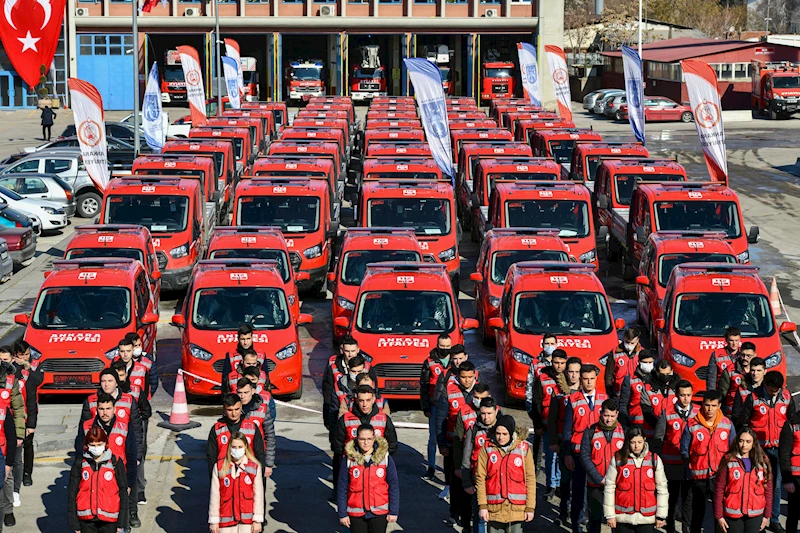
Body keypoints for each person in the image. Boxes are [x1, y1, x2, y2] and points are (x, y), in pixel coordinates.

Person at [739, 370, 793, 532]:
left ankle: (773, 519)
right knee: (756, 484)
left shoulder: (787, 397)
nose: (774, 393)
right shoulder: (753, 398)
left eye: (777, 390)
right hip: (758, 451)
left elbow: (791, 423)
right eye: (771, 390)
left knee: (775, 486)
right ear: (766, 385)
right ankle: (754, 516)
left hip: (778, 451)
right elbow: (743, 421)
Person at [680, 390, 735, 533]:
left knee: (720, 514)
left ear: (719, 406)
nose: (710, 409)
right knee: (697, 513)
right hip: (699, 478)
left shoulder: (727, 424)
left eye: (713, 405)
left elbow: (733, 450)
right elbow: (684, 449)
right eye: (707, 405)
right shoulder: (692, 424)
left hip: (720, 476)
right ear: (702, 405)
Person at [332, 385, 398, 501]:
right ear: (356, 399)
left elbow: (392, 445)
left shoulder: (383, 419)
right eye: (361, 400)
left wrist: (381, 462)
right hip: (353, 472)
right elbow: (337, 447)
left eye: (368, 400)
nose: (364, 404)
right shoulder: (346, 419)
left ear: (373, 399)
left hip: (376, 472)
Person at [563, 364, 607, 533]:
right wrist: (567, 454)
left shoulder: (604, 399)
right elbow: (567, 430)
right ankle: (576, 524)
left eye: (591, 379)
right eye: (585, 379)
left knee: (595, 491)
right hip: (577, 454)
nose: (588, 382)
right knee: (579, 491)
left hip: (597, 454)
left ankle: (593, 523)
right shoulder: (573, 400)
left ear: (596, 379)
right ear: (580, 380)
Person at [476, 415, 536, 533]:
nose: (500, 437)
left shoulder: (523, 449)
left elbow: (530, 479)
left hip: (517, 510)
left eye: (504, 434)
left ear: (511, 433)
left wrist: (530, 507)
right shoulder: (487, 449)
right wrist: (482, 506)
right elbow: (480, 478)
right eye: (498, 433)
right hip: (494, 510)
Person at [603, 427, 669, 533]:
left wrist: (661, 515)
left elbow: (662, 488)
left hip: (646, 519)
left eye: (639, 442)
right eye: (633, 442)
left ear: (644, 440)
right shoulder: (618, 459)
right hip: (623, 517)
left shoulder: (654, 460)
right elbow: (609, 487)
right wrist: (610, 515)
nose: (636, 446)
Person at [111, 338, 152, 507]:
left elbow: (149, 389)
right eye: (122, 351)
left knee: (138, 456)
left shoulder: (142, 368)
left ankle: (140, 490)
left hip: (136, 420)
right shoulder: (112, 368)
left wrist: (139, 419)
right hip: (119, 421)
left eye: (128, 350)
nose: (125, 354)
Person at [437, 360, 478, 528]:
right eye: (463, 377)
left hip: (476, 446)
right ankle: (454, 513)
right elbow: (440, 419)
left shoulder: (481, 391)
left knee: (473, 482)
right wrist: (442, 444)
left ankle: (470, 514)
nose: (467, 380)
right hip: (454, 444)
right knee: (456, 481)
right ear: (458, 376)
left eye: (470, 377)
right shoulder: (449, 390)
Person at [654, 379, 698, 533]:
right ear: (676, 396)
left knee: (688, 499)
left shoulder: (698, 412)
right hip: (671, 463)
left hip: (691, 464)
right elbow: (659, 438)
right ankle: (671, 527)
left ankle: (686, 528)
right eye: (682, 395)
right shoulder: (667, 413)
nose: (686, 398)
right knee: (671, 498)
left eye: (688, 395)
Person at [337, 424, 399, 533]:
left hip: (379, 511)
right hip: (356, 512)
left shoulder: (385, 458)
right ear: (357, 438)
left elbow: (393, 485)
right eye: (362, 439)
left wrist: (393, 511)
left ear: (374, 438)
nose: (366, 443)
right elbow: (342, 487)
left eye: (369, 439)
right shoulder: (349, 459)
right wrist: (342, 513)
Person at [68, 425, 129, 533]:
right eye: (93, 445)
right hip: (86, 519)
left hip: (110, 519)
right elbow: (72, 492)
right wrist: (74, 522)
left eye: (99, 444)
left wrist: (122, 522)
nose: (96, 448)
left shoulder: (115, 462)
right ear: (87, 445)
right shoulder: (80, 463)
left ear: (106, 443)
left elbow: (123, 491)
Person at [713, 427, 773, 533]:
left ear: (753, 443)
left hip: (755, 512)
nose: (744, 445)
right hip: (733, 513)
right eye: (741, 441)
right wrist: (719, 516)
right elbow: (719, 489)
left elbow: (768, 489)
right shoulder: (728, 460)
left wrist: (767, 515)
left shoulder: (763, 461)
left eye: (748, 441)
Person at [529, 348, 569, 500]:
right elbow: (537, 402)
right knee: (550, 455)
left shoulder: (569, 377)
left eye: (562, 363)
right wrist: (538, 424)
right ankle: (550, 485)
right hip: (547, 424)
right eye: (556, 362)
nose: (559, 366)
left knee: (561, 456)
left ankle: (559, 484)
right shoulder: (543, 377)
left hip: (564, 425)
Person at [581, 399, 625, 533]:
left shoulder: (624, 432)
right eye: (606, 415)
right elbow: (585, 456)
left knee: (616, 522)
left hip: (617, 486)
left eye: (612, 416)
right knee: (595, 520)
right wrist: (598, 478)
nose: (608, 419)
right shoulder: (590, 431)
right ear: (600, 413)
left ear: (617, 414)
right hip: (596, 484)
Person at [453, 382, 491, 532]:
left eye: (483, 398)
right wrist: (458, 467)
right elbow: (457, 441)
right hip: (470, 465)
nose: (479, 401)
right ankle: (466, 526)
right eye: (476, 397)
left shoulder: (496, 412)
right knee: (467, 499)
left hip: (489, 469)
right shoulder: (464, 411)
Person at [208, 432, 264, 533]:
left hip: (247, 523)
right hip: (226, 521)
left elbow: (258, 496)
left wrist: (257, 520)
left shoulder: (254, 467)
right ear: (229, 447)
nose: (237, 450)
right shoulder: (219, 467)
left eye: (240, 446)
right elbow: (215, 496)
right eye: (234, 447)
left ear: (245, 447)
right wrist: (214, 521)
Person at [550, 356, 582, 526]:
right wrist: (554, 441)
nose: (574, 375)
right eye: (571, 372)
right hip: (564, 442)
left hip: (582, 445)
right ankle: (563, 511)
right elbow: (553, 419)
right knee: (565, 480)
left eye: (577, 372)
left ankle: (579, 512)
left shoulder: (586, 391)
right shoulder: (558, 392)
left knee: (580, 482)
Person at [463, 397, 500, 533]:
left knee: (496, 518)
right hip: (478, 481)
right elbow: (466, 458)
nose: (486, 417)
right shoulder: (473, 430)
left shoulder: (502, 430)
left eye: (489, 413)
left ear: (496, 411)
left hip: (497, 482)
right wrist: (467, 482)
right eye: (483, 413)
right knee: (480, 516)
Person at [206, 394, 266, 479]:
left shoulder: (252, 427)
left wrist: (261, 478)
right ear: (224, 409)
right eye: (230, 410)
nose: (234, 414)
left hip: (248, 477)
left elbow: (260, 454)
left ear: (241, 407)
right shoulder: (216, 429)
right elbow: (211, 456)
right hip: (224, 478)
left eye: (236, 409)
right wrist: (213, 479)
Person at [323, 336, 374, 431]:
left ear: (358, 350)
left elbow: (375, 391)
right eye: (347, 351)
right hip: (340, 410)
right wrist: (327, 419)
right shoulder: (333, 366)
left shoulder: (367, 367)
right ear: (342, 350)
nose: (350, 354)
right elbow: (327, 392)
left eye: (353, 351)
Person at [420, 333, 452, 479]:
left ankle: (450, 469)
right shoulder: (429, 362)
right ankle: (431, 467)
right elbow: (424, 386)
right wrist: (425, 407)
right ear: (437, 345)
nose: (445, 349)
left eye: (447, 347)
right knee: (433, 438)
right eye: (442, 346)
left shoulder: (455, 361)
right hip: (435, 405)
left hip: (452, 406)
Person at [236, 379, 275, 481]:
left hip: (258, 458)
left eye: (246, 392)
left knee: (259, 494)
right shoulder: (233, 409)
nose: (242, 396)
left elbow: (270, 437)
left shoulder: (263, 409)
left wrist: (268, 464)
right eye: (239, 392)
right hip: (237, 459)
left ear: (253, 391)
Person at [0, 358, 18, 531]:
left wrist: (9, 463)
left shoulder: (3, 409)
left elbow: (11, 436)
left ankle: (8, 510)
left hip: (4, 449)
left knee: (6, 480)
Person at [618, 350, 655, 432]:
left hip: (654, 424)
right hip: (635, 424)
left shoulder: (656, 379)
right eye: (645, 362)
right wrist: (624, 426)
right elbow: (624, 404)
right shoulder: (630, 379)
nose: (648, 365)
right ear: (639, 362)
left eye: (650, 362)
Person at [604, 327, 642, 398]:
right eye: (627, 342)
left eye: (632, 343)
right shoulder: (615, 352)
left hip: (636, 393)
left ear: (638, 340)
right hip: (618, 393)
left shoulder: (642, 353)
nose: (629, 345)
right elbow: (609, 374)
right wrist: (609, 391)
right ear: (624, 338)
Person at [524, 334, 558, 412]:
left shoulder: (560, 362)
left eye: (552, 344)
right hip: (540, 404)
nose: (549, 346)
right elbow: (530, 384)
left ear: (556, 345)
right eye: (547, 344)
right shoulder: (535, 363)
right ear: (542, 345)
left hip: (557, 403)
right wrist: (529, 403)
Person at [779, 407, 800, 533]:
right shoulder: (791, 424)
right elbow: (784, 453)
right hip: (796, 477)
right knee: (794, 513)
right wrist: (787, 480)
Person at [722, 342, 756, 416]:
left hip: (753, 413)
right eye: (743, 355)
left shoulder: (759, 371)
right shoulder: (730, 370)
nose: (745, 358)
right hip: (732, 413)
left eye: (748, 356)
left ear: (754, 355)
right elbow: (722, 393)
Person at [706, 326, 742, 394]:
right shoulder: (716, 354)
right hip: (722, 393)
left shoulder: (744, 354)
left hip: (739, 393)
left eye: (736, 340)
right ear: (726, 340)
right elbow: (711, 378)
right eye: (731, 340)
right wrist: (712, 395)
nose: (734, 344)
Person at [731, 355, 765, 424]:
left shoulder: (769, 388)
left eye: (759, 370)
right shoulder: (742, 388)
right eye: (753, 370)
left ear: (765, 371)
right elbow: (736, 414)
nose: (755, 373)